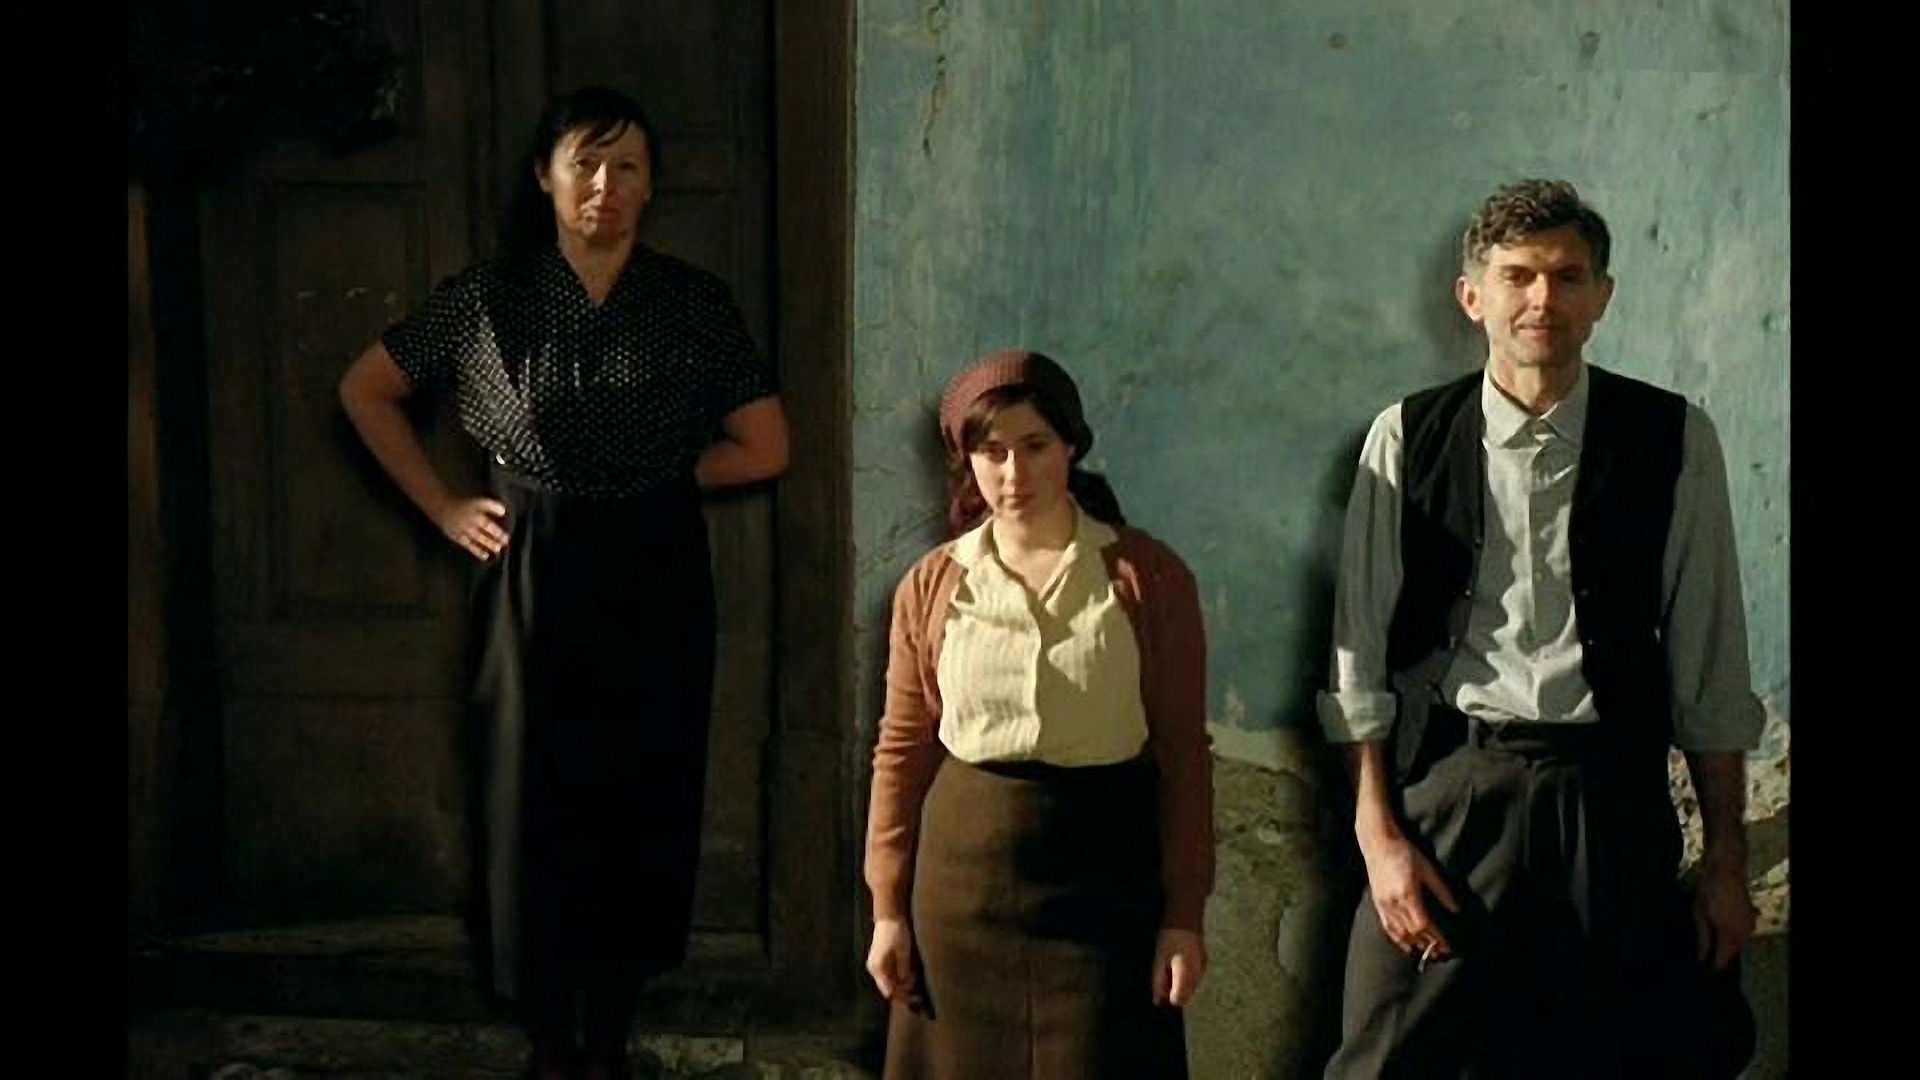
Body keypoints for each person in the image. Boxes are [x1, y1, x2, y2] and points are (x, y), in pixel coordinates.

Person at [337, 85, 788, 1080]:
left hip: (656, 569)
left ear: (651, 188)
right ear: (545, 177)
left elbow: (766, 446)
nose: (605, 186)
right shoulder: (486, 299)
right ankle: (549, 1039)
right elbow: (365, 389)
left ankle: (612, 1032)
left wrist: (662, 478)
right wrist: (443, 507)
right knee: (532, 792)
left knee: (643, 787)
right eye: (585, 163)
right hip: (530, 568)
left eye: (628, 168)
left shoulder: (692, 303)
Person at [1318, 179, 1760, 1078]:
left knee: (1629, 1056)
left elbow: (1709, 664)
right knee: (1388, 1062)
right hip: (1452, 793)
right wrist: (1380, 843)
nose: (1542, 299)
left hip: (1611, 798)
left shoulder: (1674, 438)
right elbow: (1356, 663)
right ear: (1472, 295)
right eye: (1518, 275)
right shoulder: (1405, 437)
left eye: (1567, 276)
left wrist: (1724, 858)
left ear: (1602, 296)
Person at [862, 349, 1213, 1078]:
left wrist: (1183, 915)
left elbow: (1182, 755)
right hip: (962, 893)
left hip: (1105, 882)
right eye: (993, 452)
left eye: (1035, 447)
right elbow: (901, 753)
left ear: (1071, 448)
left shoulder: (1145, 577)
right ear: (967, 460)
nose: (1014, 473)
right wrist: (888, 911)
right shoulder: (932, 587)